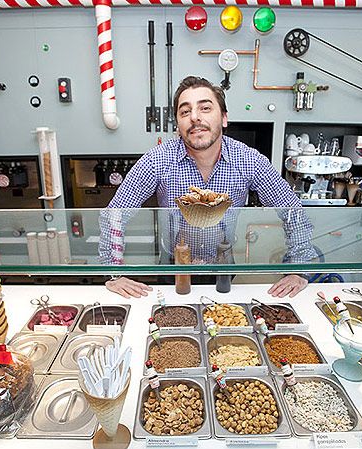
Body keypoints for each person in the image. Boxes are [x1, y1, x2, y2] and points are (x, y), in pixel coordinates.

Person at [99, 76, 317, 298]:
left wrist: (298, 269)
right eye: (185, 112)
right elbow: (115, 214)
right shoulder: (157, 160)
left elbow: (292, 210)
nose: (195, 117)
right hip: (172, 271)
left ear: (223, 118)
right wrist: (113, 272)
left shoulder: (248, 160)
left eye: (205, 108)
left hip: (224, 270)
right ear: (178, 124)